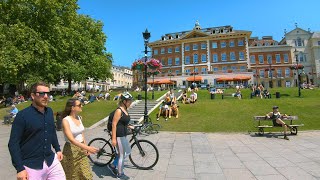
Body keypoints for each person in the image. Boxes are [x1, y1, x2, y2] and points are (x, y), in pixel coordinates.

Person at [8, 82, 66, 180]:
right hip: (31, 165)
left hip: (51, 161)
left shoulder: (49, 112)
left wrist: (57, 149)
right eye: (42, 93)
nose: (46, 96)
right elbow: (13, 144)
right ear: (33, 95)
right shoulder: (22, 116)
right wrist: (20, 168)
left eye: (48, 93)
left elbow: (51, 131)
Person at [60, 99, 98, 179]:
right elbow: (71, 139)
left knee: (86, 175)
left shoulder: (79, 118)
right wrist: (88, 148)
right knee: (72, 175)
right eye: (79, 105)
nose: (82, 106)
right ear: (72, 107)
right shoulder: (66, 120)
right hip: (71, 151)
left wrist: (85, 146)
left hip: (81, 149)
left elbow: (81, 133)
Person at [107, 92, 134, 180]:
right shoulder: (119, 110)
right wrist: (114, 139)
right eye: (129, 101)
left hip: (123, 134)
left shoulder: (125, 110)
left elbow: (122, 122)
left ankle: (113, 165)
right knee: (122, 155)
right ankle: (120, 174)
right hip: (118, 135)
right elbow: (114, 124)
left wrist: (129, 126)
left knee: (127, 152)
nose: (130, 102)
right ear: (124, 101)